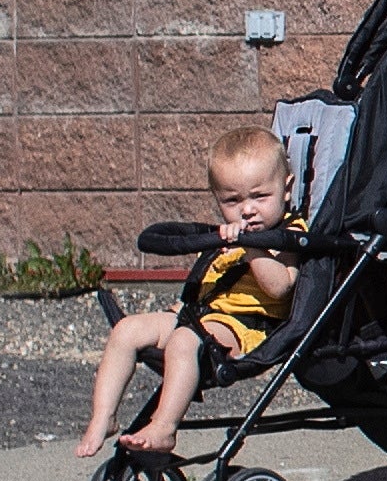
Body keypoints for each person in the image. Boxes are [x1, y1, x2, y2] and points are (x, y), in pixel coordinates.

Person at [75, 128, 298, 458]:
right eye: (232, 200)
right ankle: (103, 417)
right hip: (201, 317)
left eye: (259, 197)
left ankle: (164, 428)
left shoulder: (290, 234)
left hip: (246, 328)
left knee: (183, 340)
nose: (247, 210)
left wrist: (250, 246)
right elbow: (207, 281)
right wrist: (183, 304)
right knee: (126, 331)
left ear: (286, 189)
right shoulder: (226, 236)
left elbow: (281, 287)